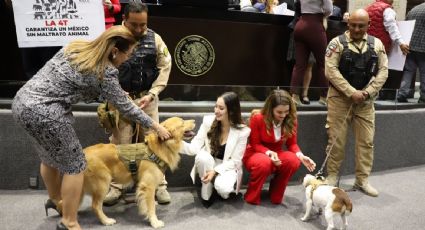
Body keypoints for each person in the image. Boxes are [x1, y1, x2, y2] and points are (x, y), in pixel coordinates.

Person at [11, 26, 171, 230]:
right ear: (114, 51)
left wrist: (114, 92)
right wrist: (156, 126)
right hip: (46, 113)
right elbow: (127, 108)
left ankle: (57, 200)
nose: (127, 59)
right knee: (76, 166)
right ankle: (69, 222)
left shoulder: (75, 47)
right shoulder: (107, 72)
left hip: (21, 103)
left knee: (47, 157)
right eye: (127, 54)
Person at [104, 1, 173, 206]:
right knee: (120, 144)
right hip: (120, 101)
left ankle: (160, 185)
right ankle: (117, 187)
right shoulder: (111, 38)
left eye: (143, 24)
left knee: (155, 144)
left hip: (147, 99)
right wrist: (115, 92)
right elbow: (103, 66)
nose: (139, 29)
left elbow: (165, 66)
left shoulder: (155, 39)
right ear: (123, 19)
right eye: (134, 25)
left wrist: (153, 93)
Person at [323, 9, 388, 197]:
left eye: (361, 25)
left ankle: (362, 180)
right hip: (339, 100)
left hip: (366, 102)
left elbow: (383, 71)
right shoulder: (336, 44)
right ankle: (332, 176)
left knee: (366, 142)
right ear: (347, 23)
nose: (356, 29)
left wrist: (367, 92)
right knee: (336, 141)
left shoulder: (377, 44)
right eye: (353, 25)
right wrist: (351, 92)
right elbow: (331, 71)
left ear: (369, 25)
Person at [243, 90, 316, 205]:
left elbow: (292, 144)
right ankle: (252, 195)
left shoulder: (291, 119)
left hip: (277, 152)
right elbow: (255, 144)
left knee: (293, 160)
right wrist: (269, 153)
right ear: (270, 109)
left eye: (286, 111)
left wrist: (301, 156)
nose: (283, 115)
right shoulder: (258, 118)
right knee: (264, 162)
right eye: (279, 112)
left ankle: (275, 192)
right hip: (255, 152)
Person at [180, 92, 251, 207]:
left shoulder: (243, 131)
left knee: (223, 190)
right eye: (216, 106)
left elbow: (235, 161)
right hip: (209, 161)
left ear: (231, 110)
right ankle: (206, 188)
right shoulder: (208, 121)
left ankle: (216, 184)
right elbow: (194, 148)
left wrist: (215, 171)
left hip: (227, 165)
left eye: (221, 108)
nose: (216, 110)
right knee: (202, 157)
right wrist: (173, 143)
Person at [290, 0, 333, 106]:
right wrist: (324, 14)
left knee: (299, 65)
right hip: (315, 25)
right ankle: (324, 97)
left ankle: (294, 96)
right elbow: (329, 9)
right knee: (323, 63)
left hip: (300, 24)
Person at [397, 3, 425, 103]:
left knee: (408, 71)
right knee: (424, 72)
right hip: (423, 47)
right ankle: (423, 97)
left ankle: (402, 94)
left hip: (409, 45)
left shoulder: (414, 9)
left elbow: (406, 25)